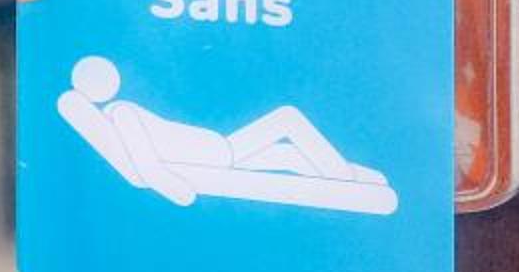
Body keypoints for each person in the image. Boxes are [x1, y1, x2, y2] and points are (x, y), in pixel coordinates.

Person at [58, 55, 395, 215]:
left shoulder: (116, 113)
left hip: (216, 151)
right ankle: (346, 179)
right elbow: (146, 164)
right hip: (215, 155)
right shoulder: (122, 113)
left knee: (288, 154)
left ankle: (350, 176)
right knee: (287, 120)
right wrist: (177, 190)